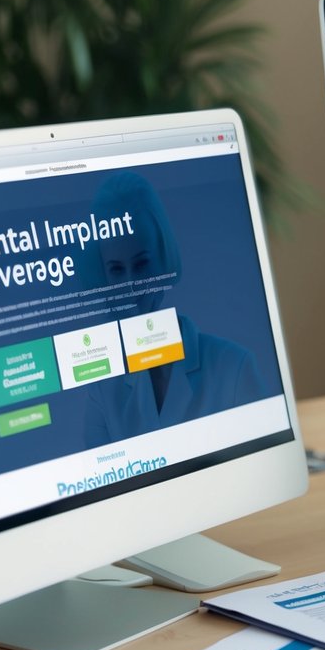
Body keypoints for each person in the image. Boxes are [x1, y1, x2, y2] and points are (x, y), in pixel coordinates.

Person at [83, 171, 266, 447]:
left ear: (164, 260)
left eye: (142, 264)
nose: (131, 285)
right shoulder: (102, 390)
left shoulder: (234, 367)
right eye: (117, 270)